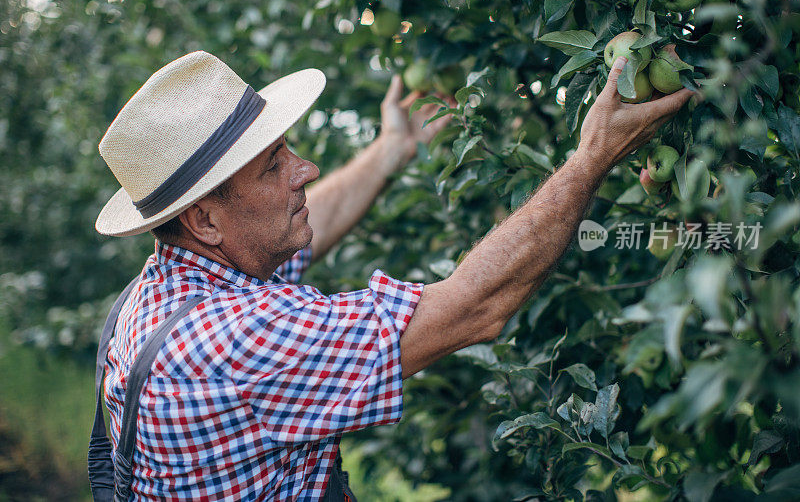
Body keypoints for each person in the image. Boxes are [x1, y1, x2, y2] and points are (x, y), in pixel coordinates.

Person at [93, 50, 692, 501]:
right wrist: (592, 158)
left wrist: (389, 150)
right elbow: (473, 306)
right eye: (275, 166)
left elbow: (304, 224)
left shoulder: (163, 293)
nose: (305, 170)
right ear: (205, 220)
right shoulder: (236, 341)